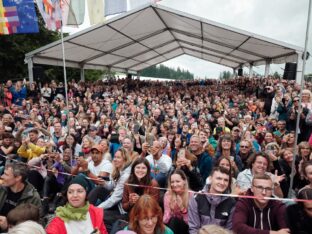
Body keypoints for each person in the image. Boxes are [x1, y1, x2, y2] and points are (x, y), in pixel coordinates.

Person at [88, 148, 131, 232]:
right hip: (115, 201)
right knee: (99, 188)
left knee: (101, 215)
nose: (115, 159)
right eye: (114, 157)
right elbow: (111, 185)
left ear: (125, 159)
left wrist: (97, 209)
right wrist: (103, 183)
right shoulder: (119, 170)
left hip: (122, 210)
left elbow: (114, 199)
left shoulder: (126, 175)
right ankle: (86, 209)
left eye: (118, 157)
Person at [188, 167, 236, 234]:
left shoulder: (231, 203)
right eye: (219, 178)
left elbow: (229, 230)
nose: (222, 183)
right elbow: (193, 228)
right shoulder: (196, 198)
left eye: (226, 180)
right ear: (210, 179)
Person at [0, 162, 41, 232]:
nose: (2, 176)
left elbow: (32, 227)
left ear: (18, 178)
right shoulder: (1, 188)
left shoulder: (33, 197)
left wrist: (8, 227)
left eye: (6, 174)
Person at [163, 169, 190, 234]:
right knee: (173, 220)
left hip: (187, 227)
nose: (174, 185)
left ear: (184, 181)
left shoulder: (191, 195)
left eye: (178, 181)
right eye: (172, 182)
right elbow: (167, 217)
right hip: (173, 226)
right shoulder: (168, 194)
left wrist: (182, 208)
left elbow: (190, 222)